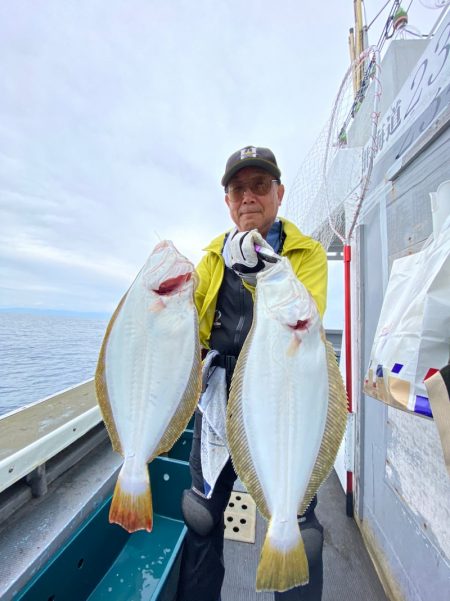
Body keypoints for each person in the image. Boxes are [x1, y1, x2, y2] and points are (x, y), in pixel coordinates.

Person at [176, 146, 328, 601]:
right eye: (238, 189)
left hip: (286, 398)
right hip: (221, 393)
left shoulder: (307, 254)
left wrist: (258, 273)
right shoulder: (210, 260)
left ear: (278, 195)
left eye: (260, 186)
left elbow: (307, 315)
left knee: (300, 525)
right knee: (201, 515)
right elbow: (196, 331)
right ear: (227, 201)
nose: (248, 197)